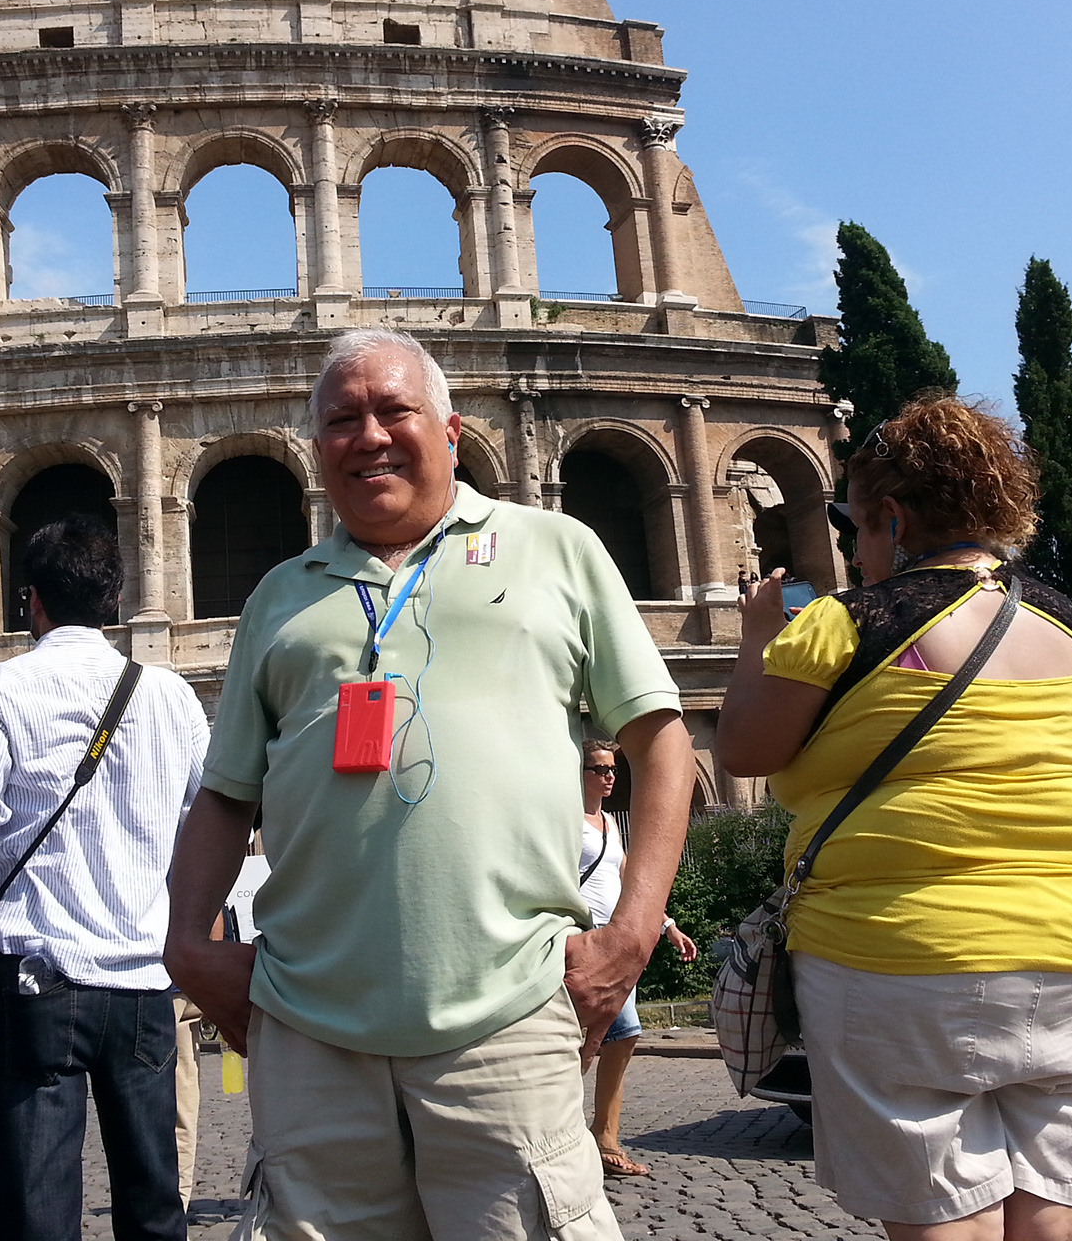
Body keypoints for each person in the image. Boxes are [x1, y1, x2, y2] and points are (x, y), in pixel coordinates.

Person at [165, 326, 697, 1241]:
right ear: (316, 449)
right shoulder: (279, 596)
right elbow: (225, 791)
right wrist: (185, 942)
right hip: (309, 1025)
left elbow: (661, 740)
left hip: (509, 1013)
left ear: (450, 429)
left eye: (392, 409)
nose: (367, 434)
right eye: (340, 419)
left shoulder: (555, 550)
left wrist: (634, 929)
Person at [719, 394, 1072, 1241]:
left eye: (855, 528)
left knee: (945, 1209)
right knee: (1069, 1201)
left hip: (897, 951)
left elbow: (746, 751)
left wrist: (759, 638)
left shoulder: (847, 621)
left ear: (894, 518)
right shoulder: (1066, 625)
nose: (851, 548)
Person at [0, 514, 208, 1241]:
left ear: (32, 602)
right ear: (111, 600)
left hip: (39, 985)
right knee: (154, 1202)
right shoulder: (173, 696)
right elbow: (203, 835)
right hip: (145, 986)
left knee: (36, 1207)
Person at [578, 739, 697, 1179]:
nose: (610, 776)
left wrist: (667, 926)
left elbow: (629, 878)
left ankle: (601, 1133)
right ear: (580, 773)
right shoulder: (565, 821)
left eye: (612, 769)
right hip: (584, 943)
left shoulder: (608, 822)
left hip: (618, 943)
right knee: (593, 1039)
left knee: (619, 1036)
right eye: (599, 769)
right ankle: (575, 1131)